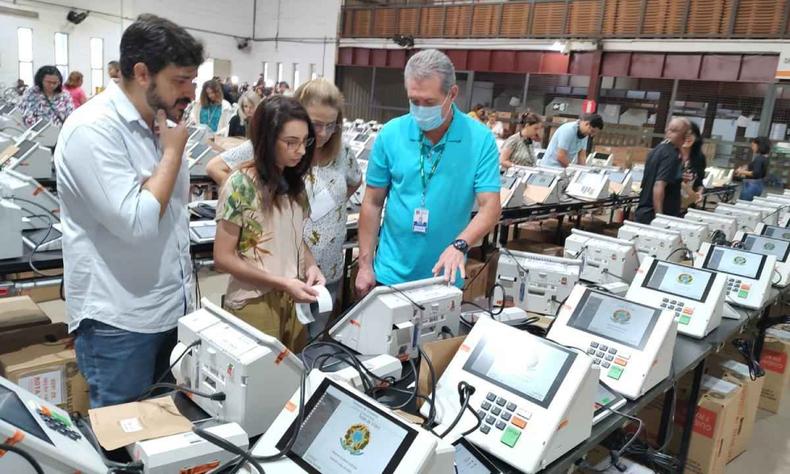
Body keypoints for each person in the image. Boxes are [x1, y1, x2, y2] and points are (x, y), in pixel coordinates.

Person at [54, 14, 204, 408]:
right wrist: (172, 153)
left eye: (193, 80)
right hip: (119, 324)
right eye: (179, 80)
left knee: (167, 436)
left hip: (173, 311)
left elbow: (168, 214)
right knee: (123, 444)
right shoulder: (93, 129)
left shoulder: (162, 123)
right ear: (142, 73)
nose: (189, 92)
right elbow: (137, 223)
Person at [355, 49, 501, 296]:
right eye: (414, 101)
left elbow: (491, 207)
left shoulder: (480, 140)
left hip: (443, 276)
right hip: (389, 274)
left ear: (452, 94)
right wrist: (365, 265)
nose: (421, 110)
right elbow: (372, 202)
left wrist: (460, 245)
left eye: (430, 102)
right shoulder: (391, 134)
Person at [213, 95, 325, 352]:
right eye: (290, 142)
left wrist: (311, 265)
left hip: (294, 297)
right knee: (259, 382)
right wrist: (282, 283)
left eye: (305, 142)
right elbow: (223, 258)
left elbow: (293, 237)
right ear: (267, 140)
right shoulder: (240, 185)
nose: (301, 151)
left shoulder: (294, 182)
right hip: (254, 303)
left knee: (292, 380)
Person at [295, 78, 362, 337]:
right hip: (291, 266)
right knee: (287, 344)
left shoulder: (342, 153)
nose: (323, 133)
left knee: (315, 335)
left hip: (330, 264)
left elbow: (355, 182)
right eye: (316, 125)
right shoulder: (286, 148)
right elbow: (220, 167)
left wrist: (332, 207)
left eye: (330, 126)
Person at [634, 117, 691, 224]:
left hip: (644, 212)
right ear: (684, 135)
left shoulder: (657, 149)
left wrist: (678, 176)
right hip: (653, 216)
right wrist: (660, 218)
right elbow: (659, 185)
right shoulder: (671, 155)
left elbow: (657, 175)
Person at [680, 122, 706, 206]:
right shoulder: (670, 155)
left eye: (691, 134)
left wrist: (699, 193)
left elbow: (699, 181)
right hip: (669, 201)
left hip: (688, 204)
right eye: (684, 134)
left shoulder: (699, 157)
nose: (687, 138)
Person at [736, 136, 771, 201]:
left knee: (743, 204)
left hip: (751, 186)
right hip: (758, 185)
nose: (752, 148)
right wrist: (746, 167)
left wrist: (741, 171)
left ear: (759, 146)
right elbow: (756, 168)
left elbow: (755, 173)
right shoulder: (765, 158)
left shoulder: (759, 159)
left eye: (753, 145)